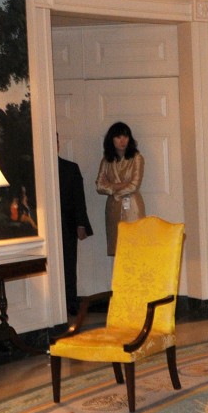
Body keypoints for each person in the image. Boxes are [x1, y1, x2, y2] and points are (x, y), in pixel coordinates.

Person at [95, 121, 145, 256]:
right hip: (113, 208)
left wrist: (114, 192)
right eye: (118, 137)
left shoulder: (137, 158)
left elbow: (134, 185)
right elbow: (99, 186)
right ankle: (120, 277)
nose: (122, 141)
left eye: (125, 136)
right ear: (111, 140)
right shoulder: (106, 160)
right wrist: (120, 185)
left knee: (134, 247)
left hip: (133, 207)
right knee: (117, 248)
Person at [58, 152, 94, 316]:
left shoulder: (70, 168)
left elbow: (79, 198)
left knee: (69, 263)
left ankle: (71, 302)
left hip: (68, 224)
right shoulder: (38, 167)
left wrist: (81, 224)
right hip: (45, 224)